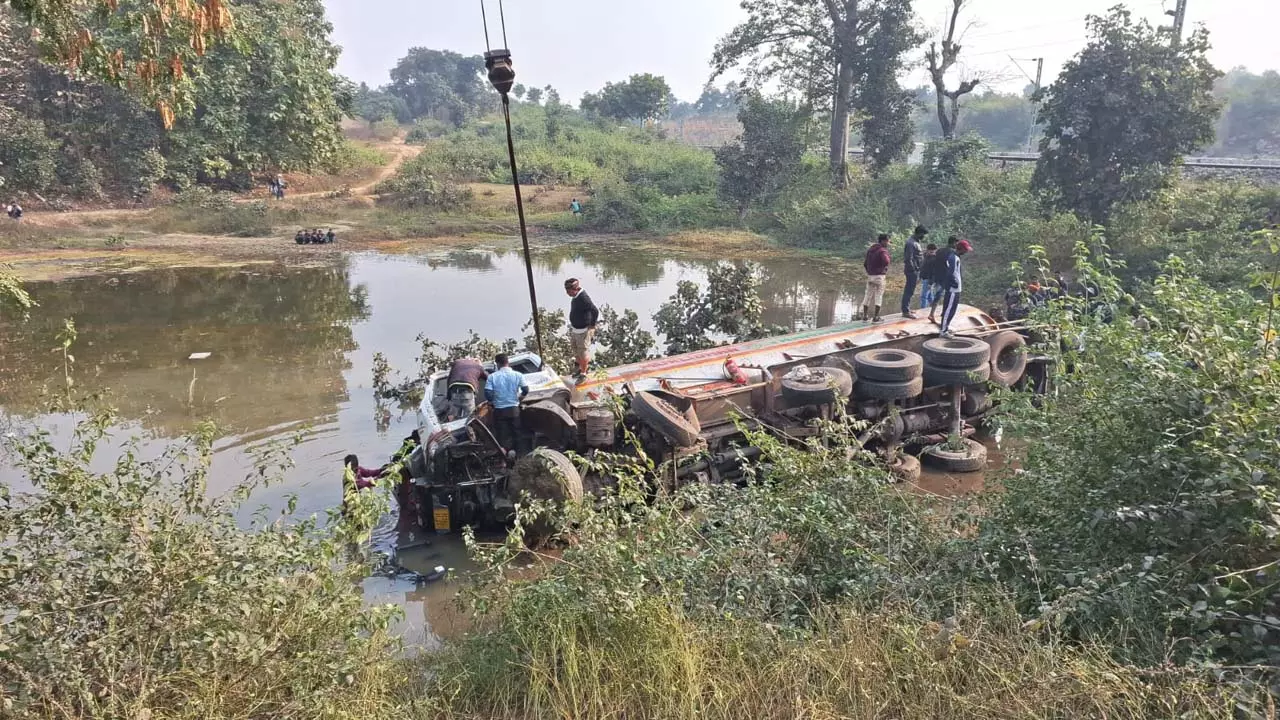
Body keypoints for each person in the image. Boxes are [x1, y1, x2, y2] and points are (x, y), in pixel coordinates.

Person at [484, 353, 529, 454]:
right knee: (517, 434)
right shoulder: (518, 375)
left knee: (502, 436)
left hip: (499, 411)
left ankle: (504, 461)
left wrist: (493, 400)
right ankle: (520, 457)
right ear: (508, 362)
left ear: (497, 364)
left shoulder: (492, 377)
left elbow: (488, 394)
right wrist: (520, 397)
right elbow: (525, 390)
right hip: (514, 410)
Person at [565, 278, 599, 382]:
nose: (567, 293)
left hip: (584, 330)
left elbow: (595, 310)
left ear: (575, 289)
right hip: (576, 330)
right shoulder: (576, 296)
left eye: (569, 291)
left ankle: (584, 373)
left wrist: (592, 325)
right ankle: (580, 369)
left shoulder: (583, 298)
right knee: (575, 350)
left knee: (583, 352)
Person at [938, 239, 973, 338]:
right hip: (953, 290)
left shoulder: (956, 257)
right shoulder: (953, 258)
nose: (966, 252)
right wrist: (954, 283)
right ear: (960, 249)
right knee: (948, 310)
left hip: (956, 289)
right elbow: (950, 273)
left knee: (952, 310)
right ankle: (943, 331)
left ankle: (946, 327)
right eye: (965, 250)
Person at [859, 233, 891, 323]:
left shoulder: (870, 250)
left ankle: (865, 316)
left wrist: (870, 271)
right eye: (887, 241)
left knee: (867, 295)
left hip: (870, 276)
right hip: (880, 276)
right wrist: (883, 268)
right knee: (878, 296)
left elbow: (865, 264)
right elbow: (886, 261)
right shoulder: (882, 251)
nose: (888, 243)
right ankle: (876, 317)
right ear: (883, 241)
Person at [928, 237, 959, 324]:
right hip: (947, 278)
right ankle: (943, 315)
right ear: (953, 243)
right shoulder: (952, 253)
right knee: (947, 297)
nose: (957, 245)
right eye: (956, 243)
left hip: (938, 276)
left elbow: (934, 263)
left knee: (938, 296)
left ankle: (932, 313)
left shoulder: (940, 251)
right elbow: (952, 267)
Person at [901, 225, 926, 319]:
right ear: (918, 233)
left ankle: (907, 308)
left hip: (915, 270)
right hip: (912, 271)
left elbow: (917, 256)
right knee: (909, 291)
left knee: (910, 291)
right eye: (923, 234)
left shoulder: (915, 242)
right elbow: (908, 259)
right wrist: (914, 270)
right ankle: (905, 311)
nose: (923, 236)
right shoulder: (910, 243)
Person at [919, 243, 940, 312]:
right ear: (927, 250)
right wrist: (920, 277)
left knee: (923, 296)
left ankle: (923, 311)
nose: (932, 253)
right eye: (930, 252)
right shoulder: (925, 256)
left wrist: (930, 283)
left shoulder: (935, 259)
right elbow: (923, 267)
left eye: (933, 252)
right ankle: (934, 309)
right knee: (930, 296)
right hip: (924, 278)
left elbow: (934, 273)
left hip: (929, 280)